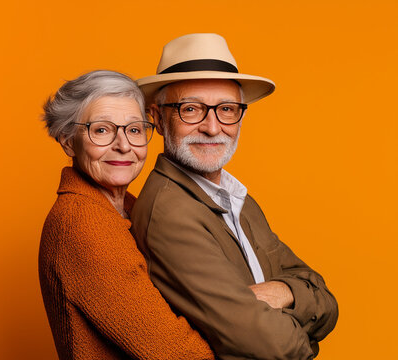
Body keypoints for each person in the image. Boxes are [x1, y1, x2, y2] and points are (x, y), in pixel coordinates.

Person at [131, 34, 339, 359]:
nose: (213, 128)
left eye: (227, 109)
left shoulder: (238, 199)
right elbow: (266, 344)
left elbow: (327, 302)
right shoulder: (169, 213)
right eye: (191, 109)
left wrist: (281, 290)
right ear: (157, 118)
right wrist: (305, 334)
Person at [38, 70, 213, 360]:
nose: (123, 145)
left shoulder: (129, 210)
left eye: (134, 129)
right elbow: (177, 354)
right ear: (68, 141)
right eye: (102, 130)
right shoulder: (83, 224)